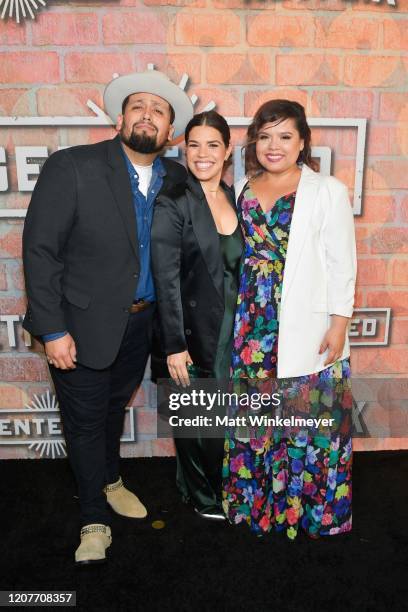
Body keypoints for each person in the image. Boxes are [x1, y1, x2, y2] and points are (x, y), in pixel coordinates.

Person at [22, 70, 194, 564]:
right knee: (83, 422)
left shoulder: (177, 179)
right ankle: (93, 517)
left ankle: (112, 479)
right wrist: (52, 329)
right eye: (138, 106)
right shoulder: (72, 166)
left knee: (114, 409)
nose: (147, 115)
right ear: (120, 118)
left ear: (169, 133)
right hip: (79, 326)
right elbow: (41, 251)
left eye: (158, 111)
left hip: (143, 325)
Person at [222, 99, 356, 540]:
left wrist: (339, 322)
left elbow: (342, 263)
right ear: (254, 142)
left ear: (302, 142)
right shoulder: (243, 186)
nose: (273, 145)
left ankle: (307, 512)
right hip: (252, 320)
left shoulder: (326, 190)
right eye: (264, 136)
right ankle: (258, 506)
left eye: (284, 136)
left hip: (307, 321)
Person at [151, 111, 244, 520]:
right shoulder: (173, 201)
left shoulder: (233, 196)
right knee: (197, 421)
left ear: (227, 151)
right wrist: (175, 345)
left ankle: (213, 486)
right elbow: (165, 279)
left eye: (212, 145)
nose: (202, 154)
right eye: (194, 144)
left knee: (222, 419)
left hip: (235, 325)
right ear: (183, 149)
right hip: (190, 329)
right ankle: (203, 497)